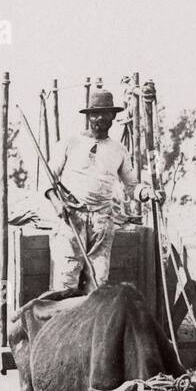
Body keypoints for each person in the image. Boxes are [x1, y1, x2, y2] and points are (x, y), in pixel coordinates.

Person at [44, 88, 152, 293]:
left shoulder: (119, 150)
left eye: (106, 113)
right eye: (95, 113)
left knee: (98, 283)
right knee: (65, 281)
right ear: (88, 116)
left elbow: (132, 186)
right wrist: (58, 203)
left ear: (113, 116)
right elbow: (48, 179)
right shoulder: (70, 143)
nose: (100, 118)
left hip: (102, 223)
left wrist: (146, 193)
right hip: (71, 220)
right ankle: (64, 324)